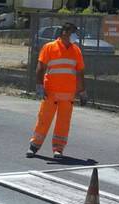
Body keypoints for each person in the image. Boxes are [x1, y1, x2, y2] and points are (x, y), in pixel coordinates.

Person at [26, 22, 88, 159]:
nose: (75, 36)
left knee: (63, 122)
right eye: (73, 32)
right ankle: (34, 146)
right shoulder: (49, 47)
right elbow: (40, 68)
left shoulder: (76, 50)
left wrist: (82, 92)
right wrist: (39, 86)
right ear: (64, 33)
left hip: (68, 94)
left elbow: (80, 72)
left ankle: (58, 149)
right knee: (44, 119)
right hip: (50, 92)